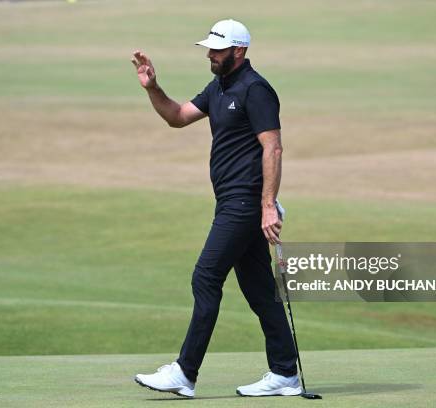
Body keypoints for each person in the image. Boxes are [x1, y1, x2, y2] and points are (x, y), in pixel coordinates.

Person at [131, 19, 300, 398]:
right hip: (231, 200)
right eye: (209, 48)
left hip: (244, 201)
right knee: (258, 290)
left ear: (238, 51)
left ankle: (184, 373)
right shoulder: (220, 86)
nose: (210, 55)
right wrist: (153, 87)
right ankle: (285, 374)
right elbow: (177, 116)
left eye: (217, 50)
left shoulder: (256, 90)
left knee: (205, 278)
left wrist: (268, 206)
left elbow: (273, 147)